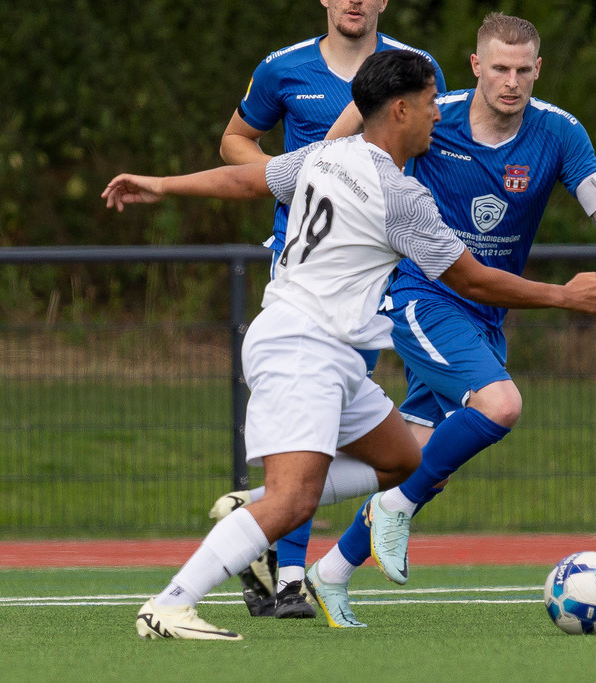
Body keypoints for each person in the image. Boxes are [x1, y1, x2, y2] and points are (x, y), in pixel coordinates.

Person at [103, 49, 596, 640]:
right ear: (399, 110)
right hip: (303, 346)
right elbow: (471, 280)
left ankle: (255, 510)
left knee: (405, 461)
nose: (435, 118)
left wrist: (163, 184)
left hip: (330, 353)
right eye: (428, 107)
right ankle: (170, 603)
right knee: (292, 504)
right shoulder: (401, 197)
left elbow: (250, 178)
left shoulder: (327, 154)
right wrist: (563, 295)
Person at [214, 12, 596, 628]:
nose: (511, 81)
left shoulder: (559, 132)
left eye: (523, 70)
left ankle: (321, 563)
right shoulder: (427, 114)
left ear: (538, 70)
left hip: (487, 312)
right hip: (422, 297)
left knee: (423, 461)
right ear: (475, 66)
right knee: (499, 405)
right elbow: (345, 149)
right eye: (499, 68)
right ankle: (383, 511)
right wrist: (312, 177)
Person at [217, 0, 446, 619]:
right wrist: (292, 176)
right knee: (309, 418)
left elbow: (423, 157)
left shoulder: (413, 69)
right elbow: (234, 142)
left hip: (368, 266)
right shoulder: (281, 69)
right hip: (301, 266)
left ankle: (263, 520)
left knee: (340, 416)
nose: (353, 1)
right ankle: (288, 571)